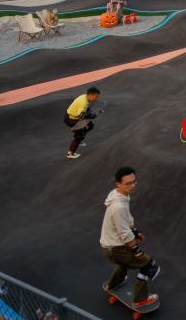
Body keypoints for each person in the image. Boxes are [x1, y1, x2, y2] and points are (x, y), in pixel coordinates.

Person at [100, 166, 160, 308]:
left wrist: (135, 231)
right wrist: (137, 251)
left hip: (109, 246)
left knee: (123, 263)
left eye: (134, 182)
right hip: (116, 249)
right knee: (148, 266)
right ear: (118, 184)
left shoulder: (118, 194)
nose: (132, 186)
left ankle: (112, 284)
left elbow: (126, 220)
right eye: (128, 183)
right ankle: (139, 301)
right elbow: (125, 234)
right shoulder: (118, 206)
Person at [64, 86, 101, 159]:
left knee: (90, 125)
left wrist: (91, 113)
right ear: (90, 95)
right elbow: (81, 115)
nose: (96, 98)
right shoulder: (83, 102)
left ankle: (78, 139)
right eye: (96, 96)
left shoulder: (84, 97)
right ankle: (70, 153)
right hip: (71, 119)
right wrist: (91, 116)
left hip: (71, 116)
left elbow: (85, 109)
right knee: (80, 134)